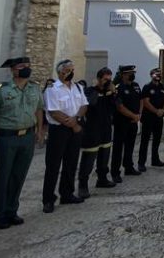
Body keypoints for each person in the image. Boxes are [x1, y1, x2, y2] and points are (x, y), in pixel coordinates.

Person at [0, 57, 44, 229]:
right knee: (3, 176)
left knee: (19, 175)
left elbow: (39, 108)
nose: (26, 68)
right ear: (13, 70)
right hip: (6, 137)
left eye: (28, 65)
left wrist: (40, 130)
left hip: (27, 137)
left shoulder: (34, 88)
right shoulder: (0, 90)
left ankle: (11, 210)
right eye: (22, 66)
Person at [42, 59, 87, 213]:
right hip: (59, 130)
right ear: (60, 72)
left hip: (74, 129)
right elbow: (53, 112)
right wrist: (73, 124)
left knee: (71, 163)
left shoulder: (78, 88)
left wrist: (77, 119)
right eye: (68, 70)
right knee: (53, 165)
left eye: (72, 69)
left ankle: (67, 193)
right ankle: (48, 199)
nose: (71, 72)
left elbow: (83, 105)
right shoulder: (52, 88)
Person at [77, 68, 117, 199]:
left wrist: (113, 92)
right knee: (89, 158)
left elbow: (115, 106)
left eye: (109, 79)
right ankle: (83, 185)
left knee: (104, 155)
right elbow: (91, 103)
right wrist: (96, 88)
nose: (107, 82)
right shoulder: (89, 91)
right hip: (92, 129)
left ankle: (102, 178)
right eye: (105, 79)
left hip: (105, 128)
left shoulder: (109, 92)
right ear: (99, 79)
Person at [111, 65, 142, 182]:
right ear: (124, 74)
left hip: (134, 121)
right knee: (118, 148)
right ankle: (115, 172)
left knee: (130, 146)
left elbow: (140, 100)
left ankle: (128, 167)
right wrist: (133, 116)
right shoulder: (118, 87)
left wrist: (139, 114)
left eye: (133, 73)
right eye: (130, 73)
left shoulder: (136, 86)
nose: (132, 75)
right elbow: (120, 107)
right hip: (121, 122)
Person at [140, 67, 164, 170]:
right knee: (145, 141)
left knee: (157, 140)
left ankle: (155, 160)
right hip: (148, 117)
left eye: (160, 74)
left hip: (159, 118)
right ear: (151, 75)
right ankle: (141, 163)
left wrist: (162, 110)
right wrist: (156, 111)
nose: (159, 76)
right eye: (156, 74)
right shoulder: (147, 87)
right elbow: (146, 102)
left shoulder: (163, 86)